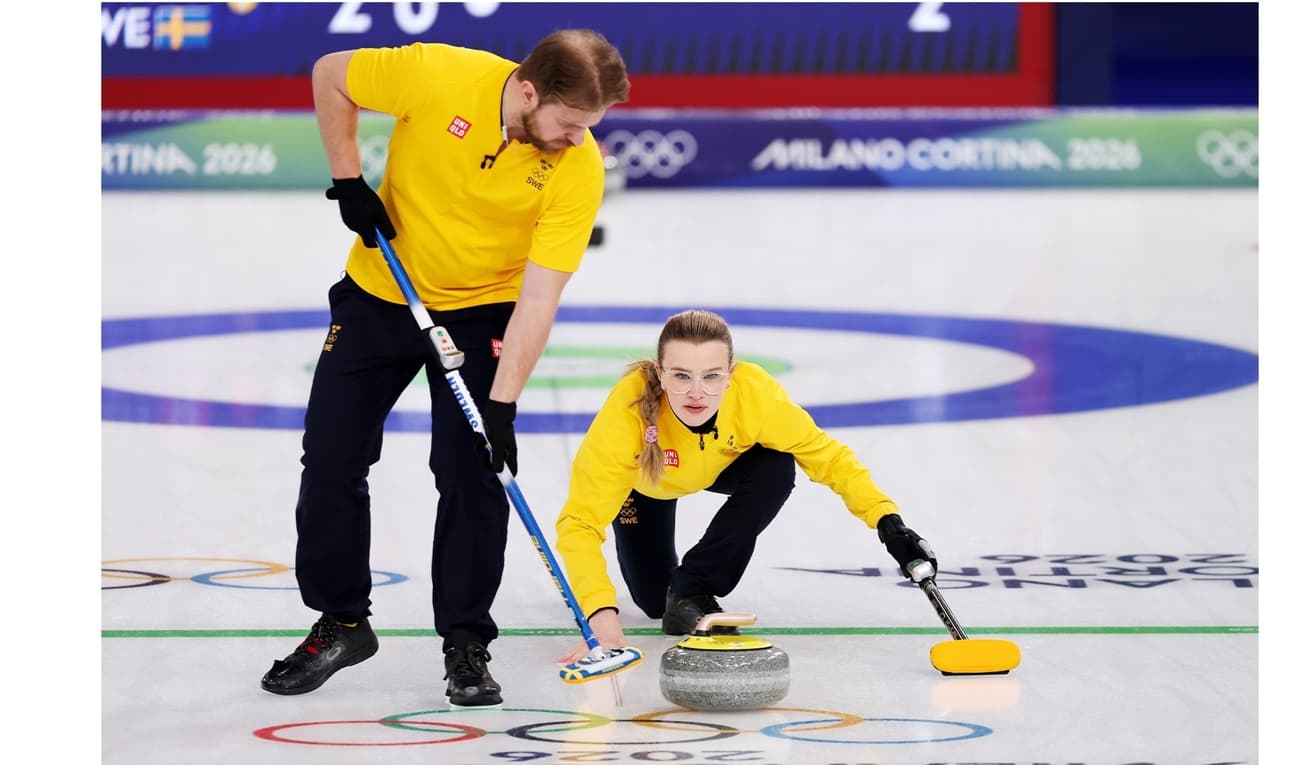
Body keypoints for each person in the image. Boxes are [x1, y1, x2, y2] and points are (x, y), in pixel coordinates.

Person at [260, 30, 630, 705]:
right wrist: (349, 179)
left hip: (486, 309)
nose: (580, 139)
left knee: (472, 472)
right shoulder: (437, 74)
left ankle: (466, 642)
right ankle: (342, 619)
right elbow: (330, 73)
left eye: (590, 127)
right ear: (527, 90)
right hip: (383, 291)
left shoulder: (579, 168)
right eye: (571, 122)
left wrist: (505, 404)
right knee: (332, 453)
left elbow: (540, 297)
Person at [554, 309, 937, 665]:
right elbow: (580, 523)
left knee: (776, 466)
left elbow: (830, 458)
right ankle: (673, 594)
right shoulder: (629, 412)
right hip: (646, 487)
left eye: (712, 376)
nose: (696, 392)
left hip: (723, 463)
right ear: (660, 372)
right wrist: (600, 616)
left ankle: (695, 587)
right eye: (681, 376)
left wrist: (888, 521)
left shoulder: (755, 396)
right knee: (655, 603)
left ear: (731, 373)